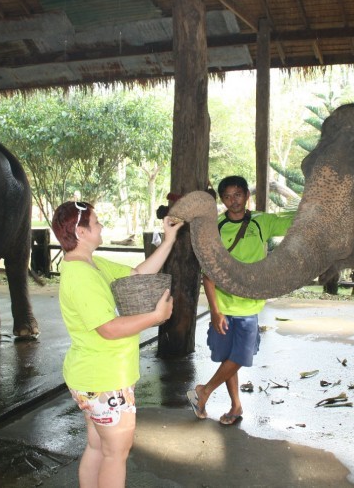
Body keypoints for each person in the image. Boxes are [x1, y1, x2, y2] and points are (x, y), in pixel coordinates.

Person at [52, 201, 182, 487]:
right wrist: (155, 316)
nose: (101, 226)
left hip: (93, 376)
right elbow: (108, 329)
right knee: (116, 454)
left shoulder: (89, 263)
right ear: (81, 231)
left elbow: (136, 274)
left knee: (99, 448)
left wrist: (169, 239)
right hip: (104, 381)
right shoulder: (81, 275)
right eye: (96, 223)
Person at [187, 176, 294, 425]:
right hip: (222, 305)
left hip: (249, 306)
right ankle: (235, 406)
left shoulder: (262, 222)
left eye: (238, 195)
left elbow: (296, 223)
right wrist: (214, 311)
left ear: (247, 195)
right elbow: (209, 273)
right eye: (227, 196)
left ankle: (204, 391)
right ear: (222, 200)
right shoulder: (217, 227)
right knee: (229, 358)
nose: (233, 201)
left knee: (241, 357)